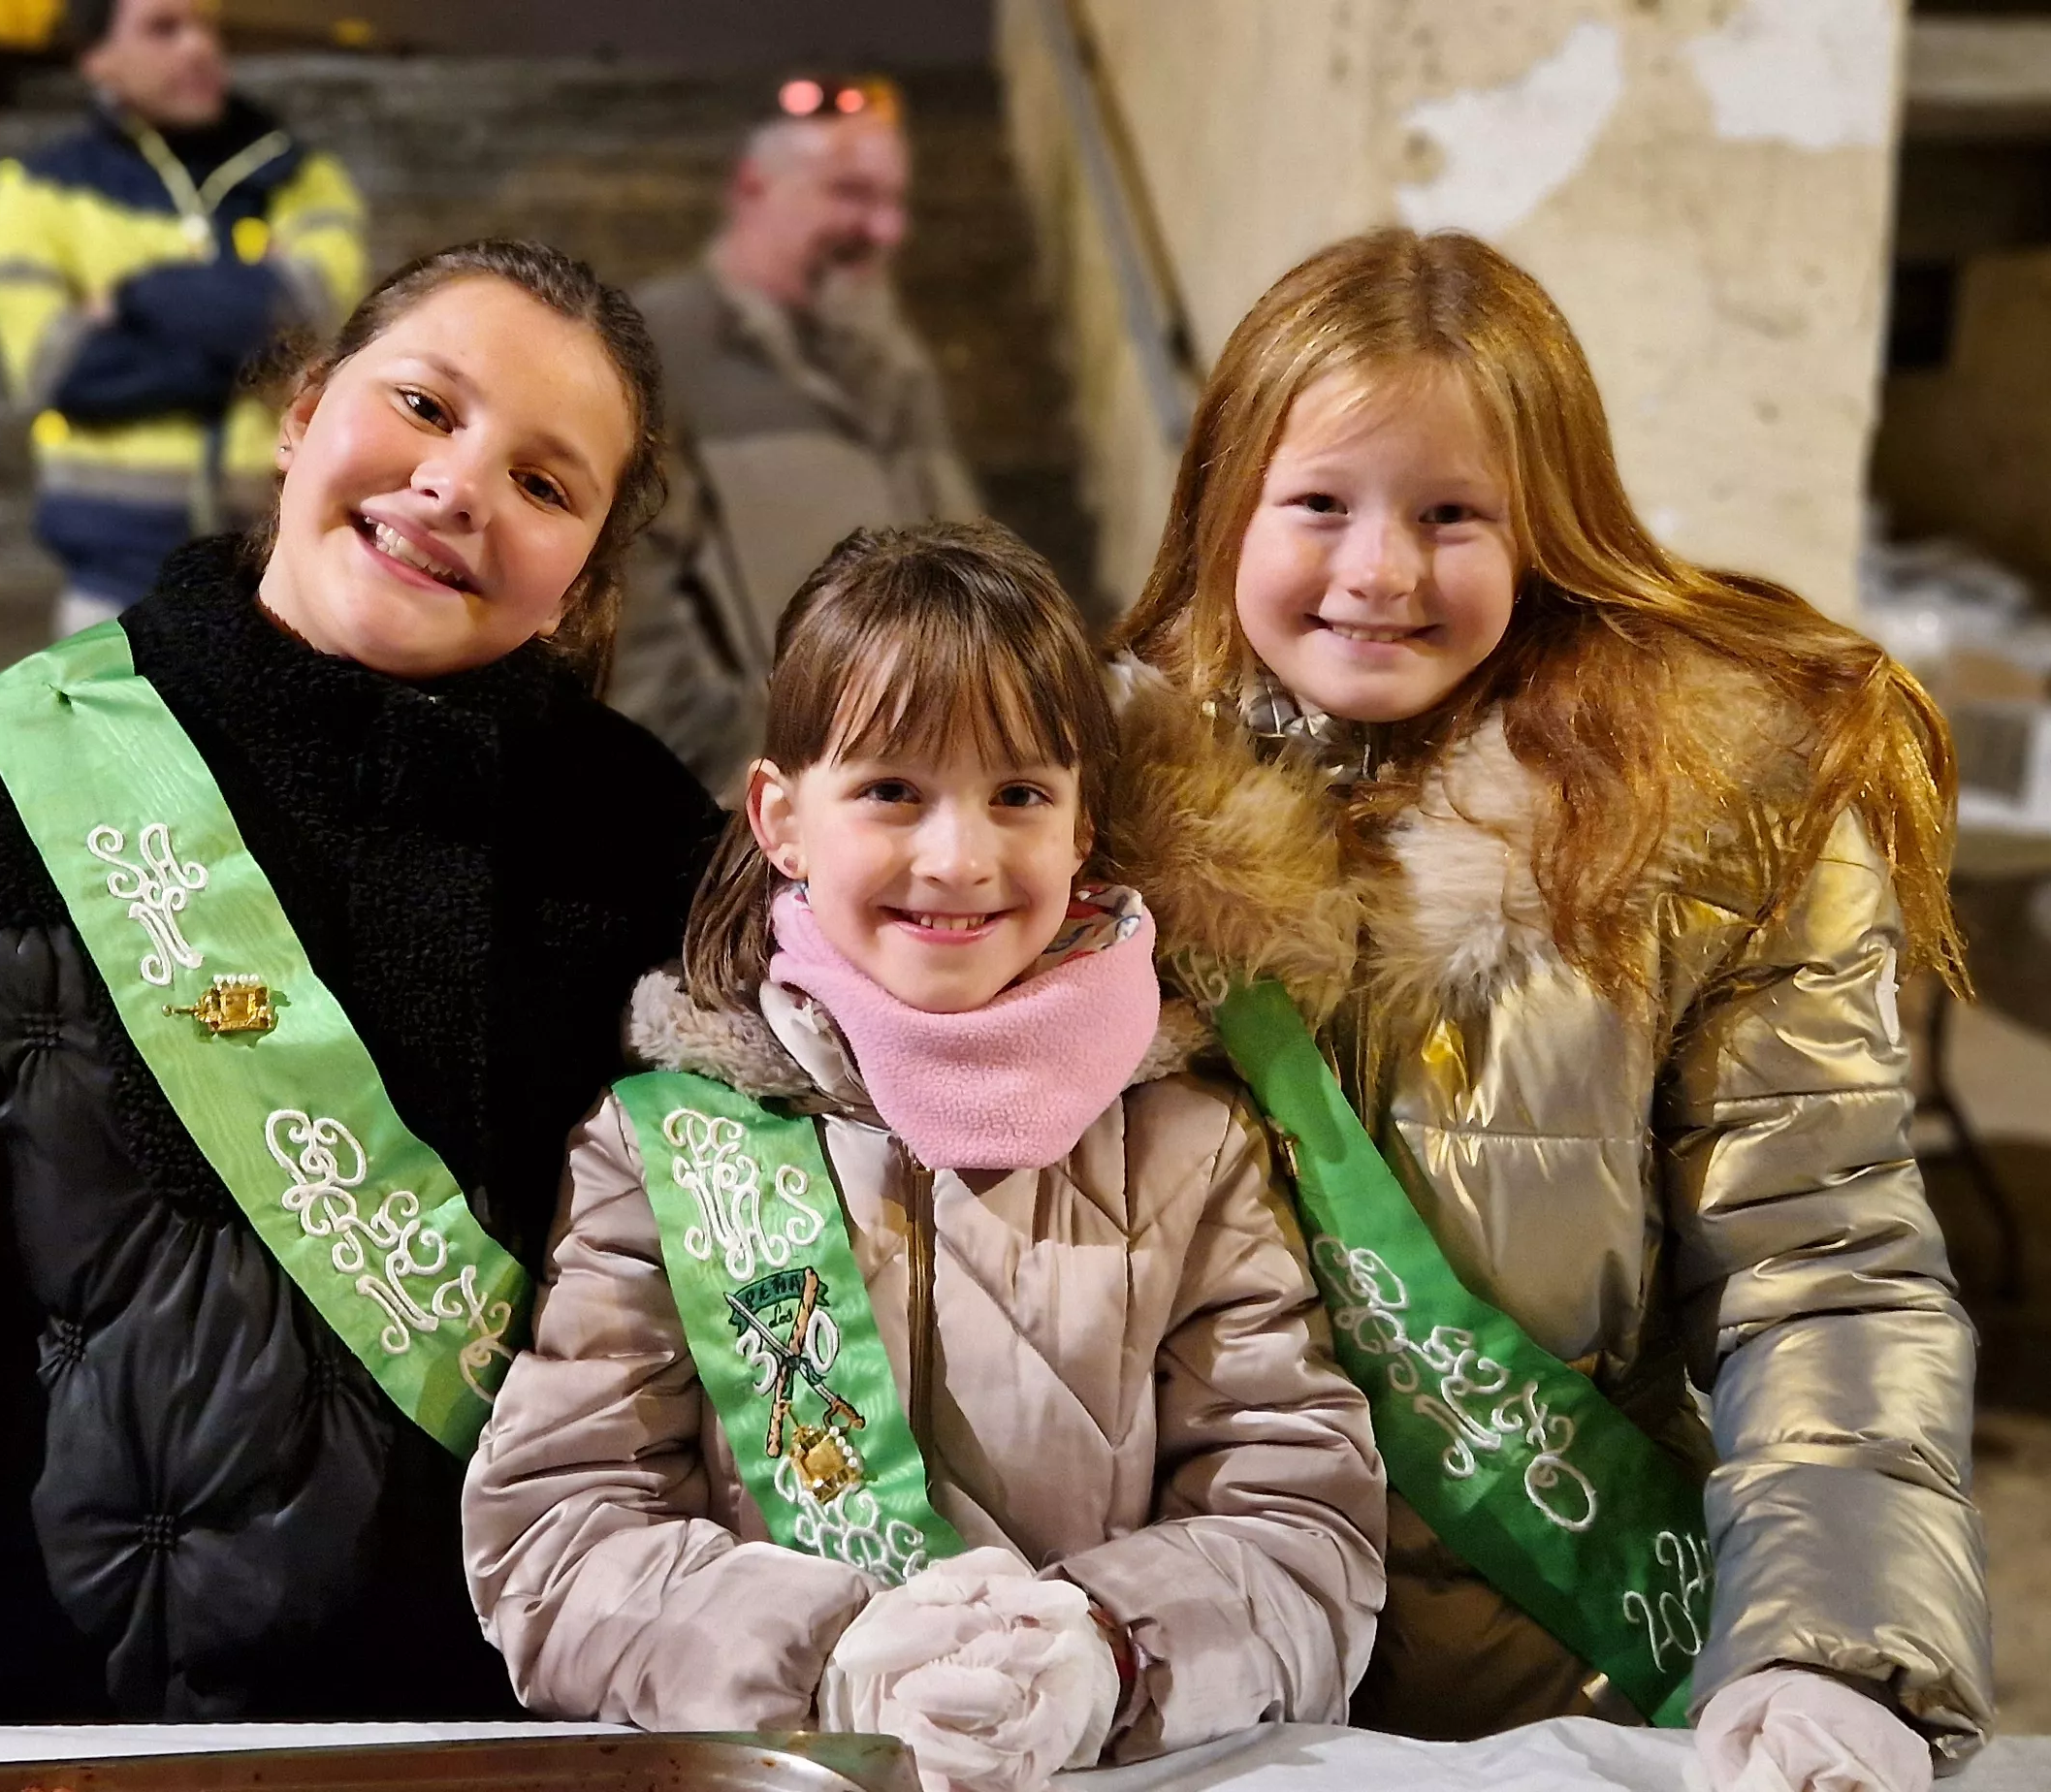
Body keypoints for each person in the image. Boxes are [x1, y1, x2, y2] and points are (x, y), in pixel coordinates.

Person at [0, 240, 723, 1721]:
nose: (460, 487)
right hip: (100, 1737)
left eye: (546, 485)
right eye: (423, 405)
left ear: (583, 578)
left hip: (537, 1721)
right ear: (300, 417)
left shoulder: (664, 860)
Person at [1101, 229, 1990, 1789]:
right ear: (1222, 502)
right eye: (1319, 503)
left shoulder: (1708, 814)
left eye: (1452, 514)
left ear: (1549, 525)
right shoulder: (1075, 805)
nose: (1380, 569)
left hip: (1569, 1681)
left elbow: (1825, 1265)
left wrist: (1826, 1650)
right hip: (1180, 1681)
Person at [465, 525, 1383, 1792]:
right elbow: (555, 1542)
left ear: (1081, 830)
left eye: (1019, 794)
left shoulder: (1192, 1149)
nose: (958, 857)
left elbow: (1307, 1536)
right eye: (893, 789)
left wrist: (1106, 1655)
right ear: (783, 817)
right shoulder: (663, 1148)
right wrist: (834, 1657)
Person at [607, 80, 985, 793]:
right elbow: (632, 635)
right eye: (850, 193)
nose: (884, 231)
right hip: (745, 820)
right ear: (754, 186)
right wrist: (786, 784)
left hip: (899, 806)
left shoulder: (890, 361)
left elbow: (971, 576)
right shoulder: (656, 345)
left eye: (892, 203)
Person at [0, 0, 371, 637]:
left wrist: (135, 298)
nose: (198, 48)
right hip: (112, 571)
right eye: (164, 27)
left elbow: (322, 318)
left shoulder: (300, 178)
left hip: (274, 566)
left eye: (208, 26)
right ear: (96, 57)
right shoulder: (35, 189)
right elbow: (57, 370)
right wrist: (248, 329)